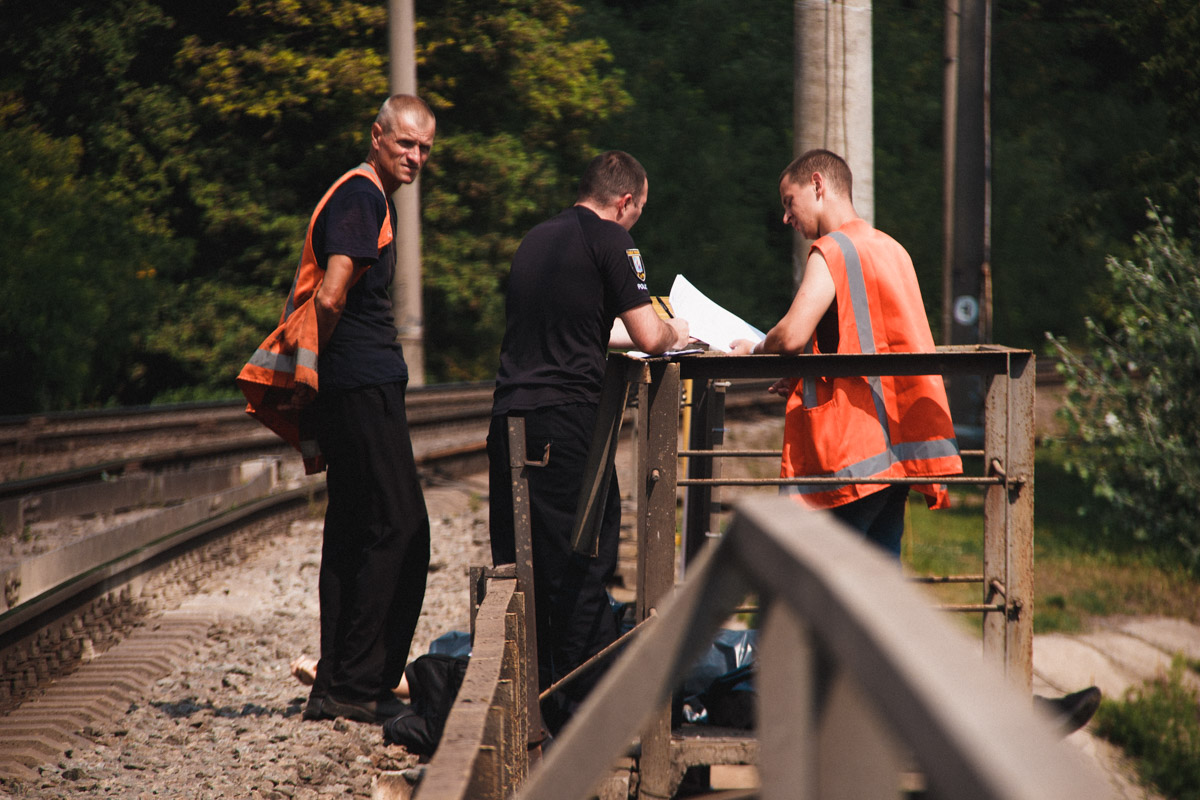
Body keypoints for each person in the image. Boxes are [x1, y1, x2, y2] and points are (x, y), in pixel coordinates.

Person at [732, 148, 1099, 735]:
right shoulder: (892, 250)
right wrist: (808, 368)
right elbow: (872, 344)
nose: (786, 217)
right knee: (884, 615)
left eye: (789, 201)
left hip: (845, 464)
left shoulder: (832, 252)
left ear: (818, 185)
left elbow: (794, 332)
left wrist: (756, 348)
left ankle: (780, 710)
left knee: (806, 596)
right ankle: (1004, 714)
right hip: (894, 460)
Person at [238, 94, 436, 724]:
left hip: (347, 381)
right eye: (405, 143)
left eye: (425, 147)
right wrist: (318, 367)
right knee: (402, 526)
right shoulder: (362, 196)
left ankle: (333, 685)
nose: (415, 156)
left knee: (352, 526)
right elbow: (330, 294)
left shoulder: (362, 195)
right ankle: (359, 684)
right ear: (376, 137)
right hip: (362, 377)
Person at [487, 150, 689, 735]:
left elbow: (575, 326)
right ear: (625, 201)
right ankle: (579, 718)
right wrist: (677, 330)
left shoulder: (535, 240)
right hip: (567, 423)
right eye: (639, 211)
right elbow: (649, 335)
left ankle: (533, 707)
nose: (636, 222)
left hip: (508, 420)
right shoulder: (612, 241)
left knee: (524, 566)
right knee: (583, 563)